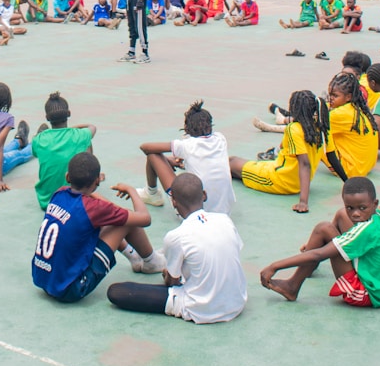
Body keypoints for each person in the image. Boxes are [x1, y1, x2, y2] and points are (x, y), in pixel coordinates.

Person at [106, 173, 247, 323]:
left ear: (173, 202)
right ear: (204, 195)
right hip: (236, 303)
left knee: (117, 291)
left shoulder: (176, 236)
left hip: (201, 309)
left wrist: (168, 275)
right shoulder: (225, 220)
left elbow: (172, 282)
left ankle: (136, 257)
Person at [33, 152, 165, 303]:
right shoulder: (92, 208)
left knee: (107, 220)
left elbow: (103, 209)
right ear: (97, 181)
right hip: (70, 289)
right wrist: (132, 191)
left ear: (68, 177)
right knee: (126, 221)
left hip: (43, 278)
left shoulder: (59, 193)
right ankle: (151, 261)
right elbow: (144, 218)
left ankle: (135, 257)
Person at [260, 176, 380, 307]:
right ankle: (311, 260)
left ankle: (292, 286)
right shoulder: (379, 215)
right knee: (339, 216)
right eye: (350, 207)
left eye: (362, 208)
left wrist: (274, 266)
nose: (355, 213)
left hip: (367, 294)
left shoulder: (365, 231)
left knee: (323, 229)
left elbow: (318, 255)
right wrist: (317, 246)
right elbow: (352, 214)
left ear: (375, 203)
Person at [229, 90, 326, 212]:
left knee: (232, 162)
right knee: (248, 164)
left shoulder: (293, 129)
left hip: (279, 180)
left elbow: (305, 163)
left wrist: (303, 202)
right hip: (295, 180)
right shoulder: (319, 127)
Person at [137, 101, 234, 214]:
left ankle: (152, 193)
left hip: (193, 213)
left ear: (186, 129)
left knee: (153, 155)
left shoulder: (186, 145)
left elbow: (145, 147)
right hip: (224, 212)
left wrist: (168, 159)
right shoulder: (221, 139)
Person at [32, 92, 96, 210]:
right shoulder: (78, 135)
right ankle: (94, 176)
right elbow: (92, 127)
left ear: (47, 117)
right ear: (69, 114)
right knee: (86, 141)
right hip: (74, 200)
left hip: (47, 202)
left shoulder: (38, 140)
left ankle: (42, 131)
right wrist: (71, 129)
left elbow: (35, 154)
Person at [321, 72, 378, 179]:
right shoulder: (356, 108)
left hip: (350, 170)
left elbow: (312, 124)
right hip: (365, 166)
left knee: (313, 136)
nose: (331, 98)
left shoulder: (340, 114)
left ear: (348, 97)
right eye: (330, 95)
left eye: (335, 95)